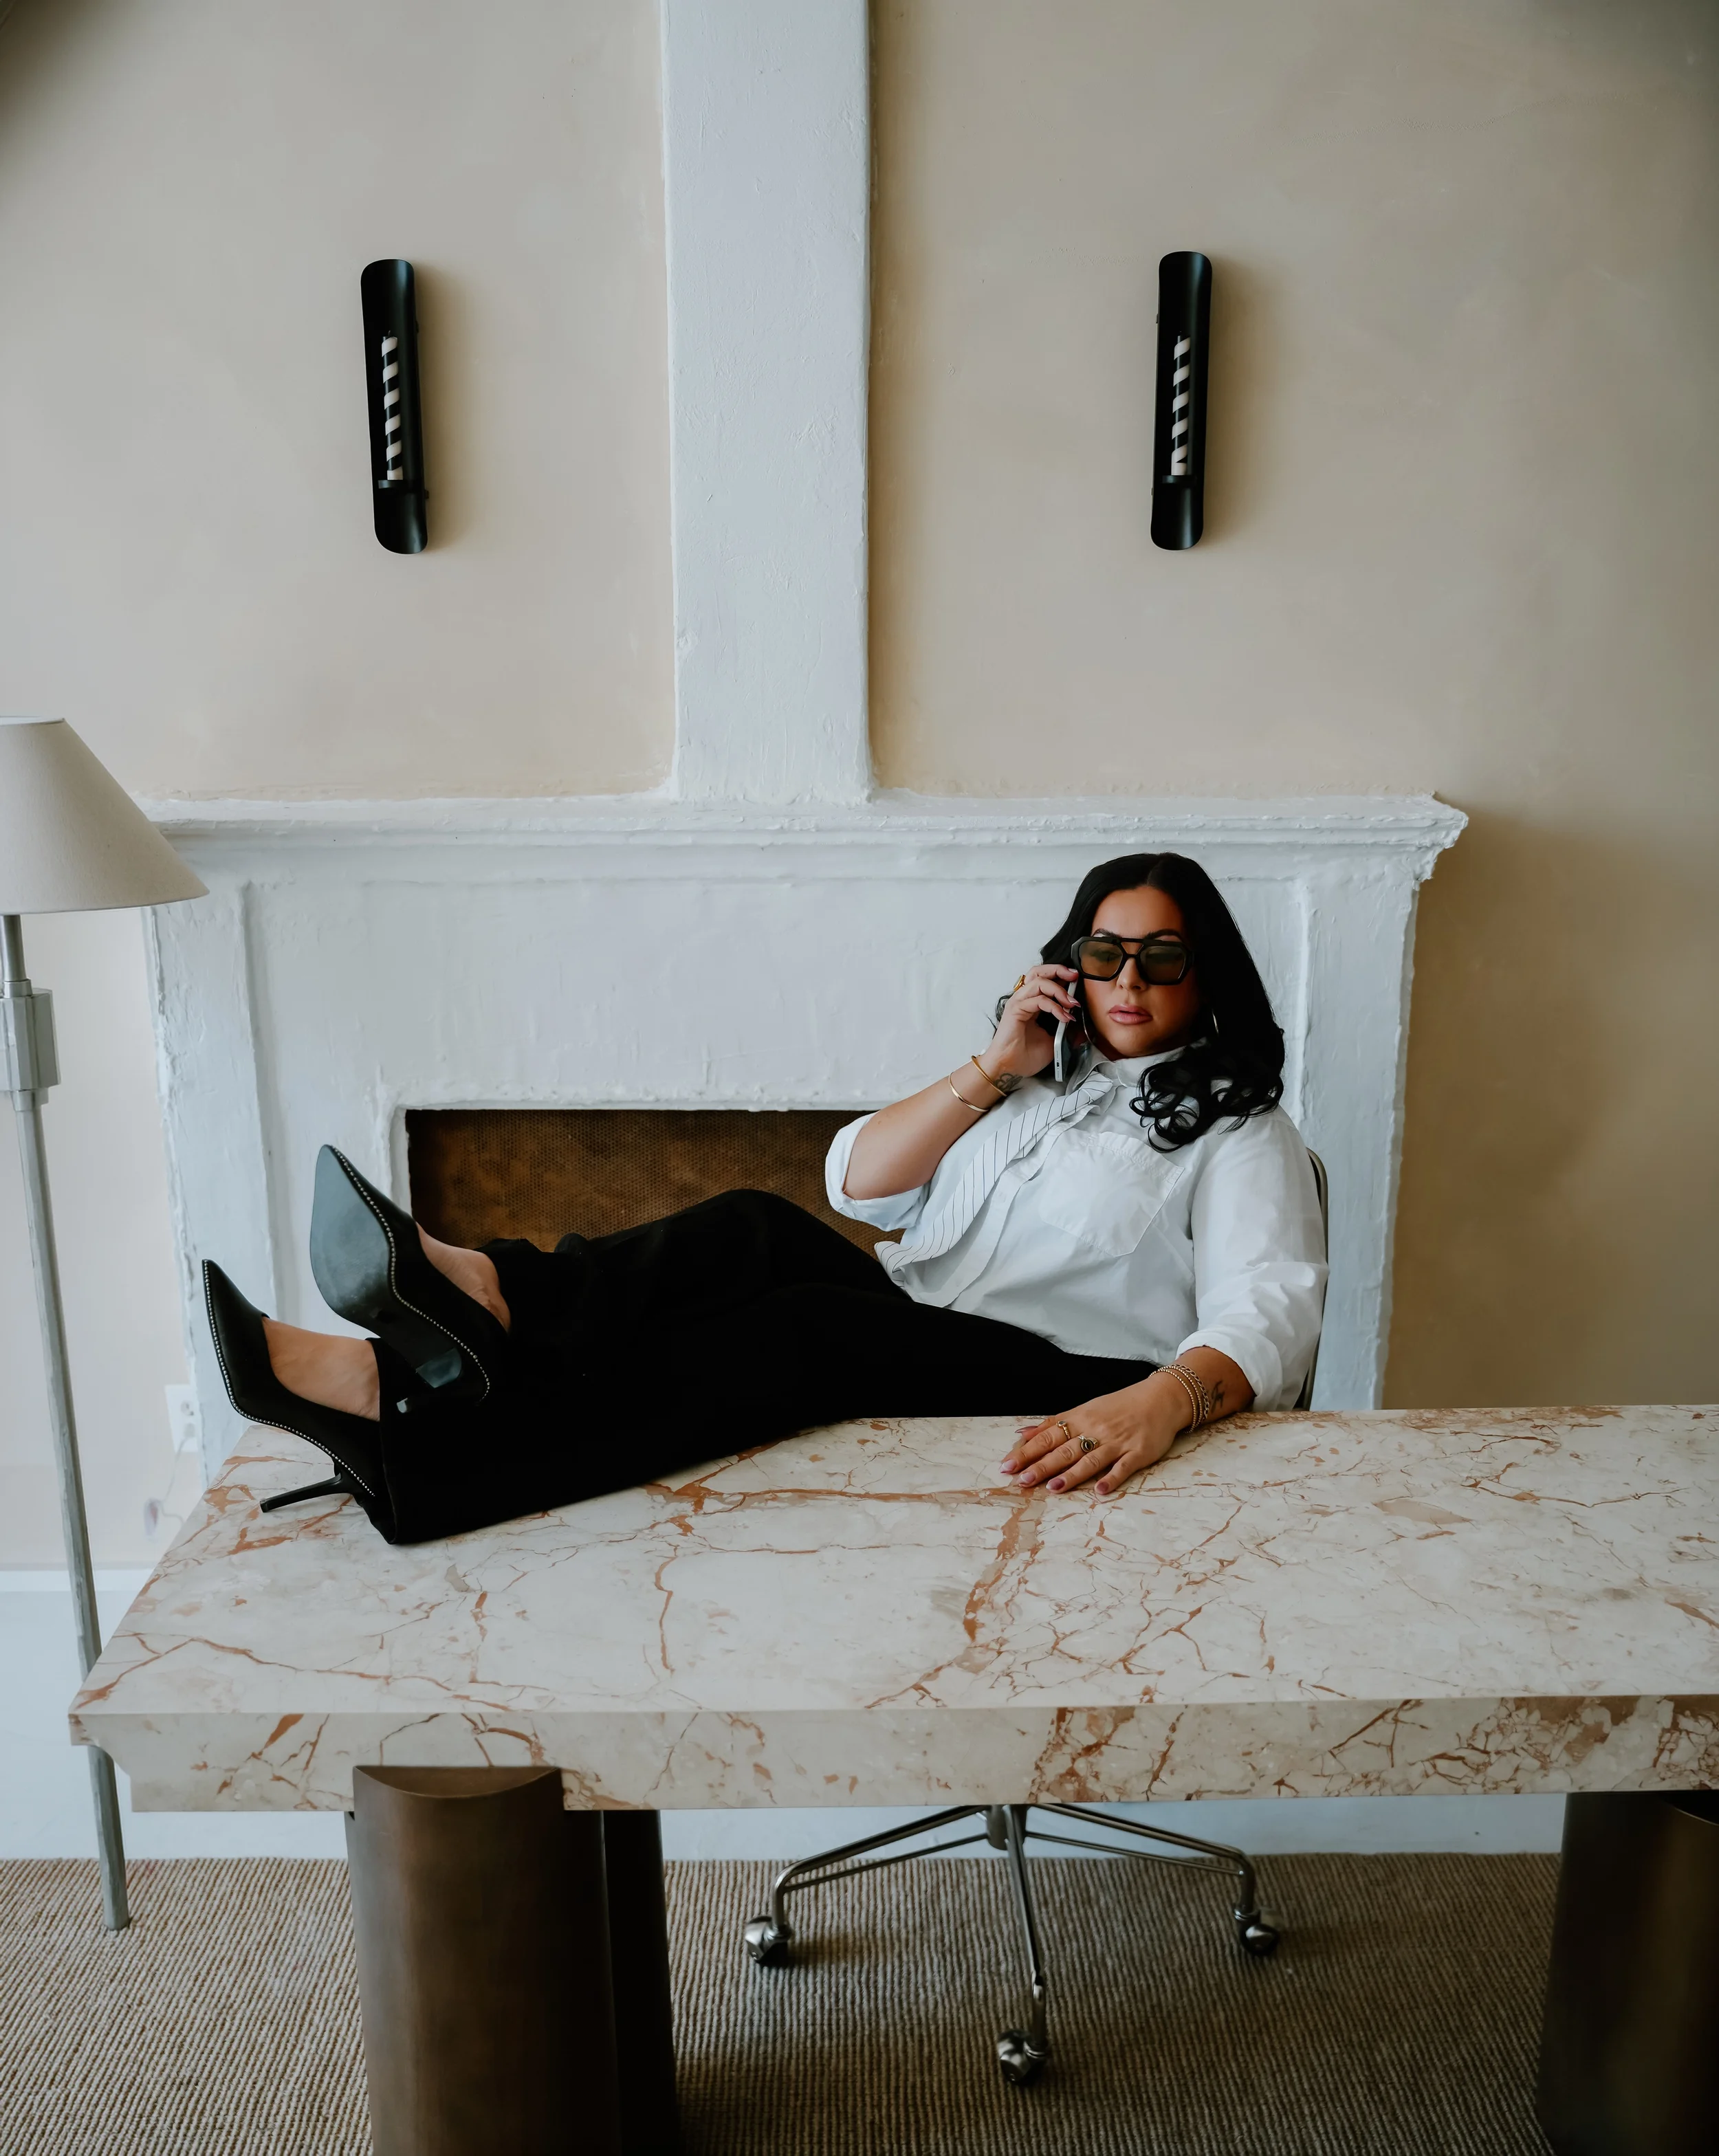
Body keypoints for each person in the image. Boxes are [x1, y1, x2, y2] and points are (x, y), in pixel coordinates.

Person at [204, 852, 1326, 1544]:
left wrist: (1163, 1402)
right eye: (1105, 952)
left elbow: (1270, 1311)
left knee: (803, 1329)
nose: (1127, 981)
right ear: (1069, 963)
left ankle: (405, 1430)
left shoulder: (1241, 1132)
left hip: (1064, 1377)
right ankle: (480, 1302)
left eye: (1162, 959)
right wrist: (996, 1068)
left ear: (1206, 974)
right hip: (923, 1317)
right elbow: (858, 1182)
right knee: (757, 1223)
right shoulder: (1033, 1079)